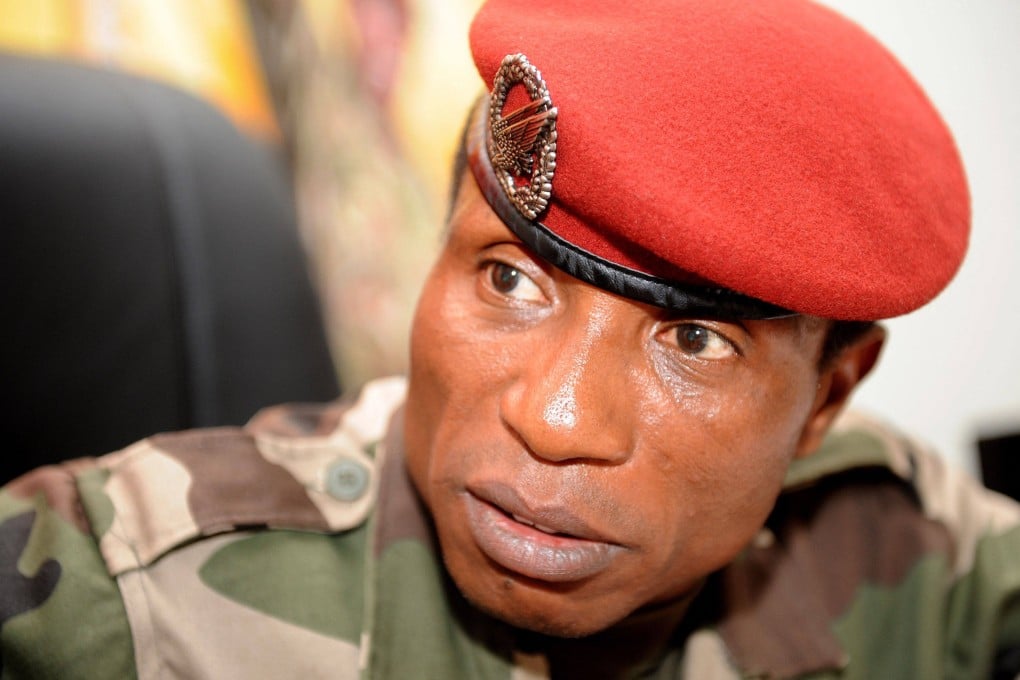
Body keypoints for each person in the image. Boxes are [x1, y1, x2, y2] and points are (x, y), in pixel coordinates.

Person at [2, 0, 1019, 677]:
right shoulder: (125, 591)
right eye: (509, 278)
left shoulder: (918, 561)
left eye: (698, 340)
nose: (554, 415)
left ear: (831, 396)